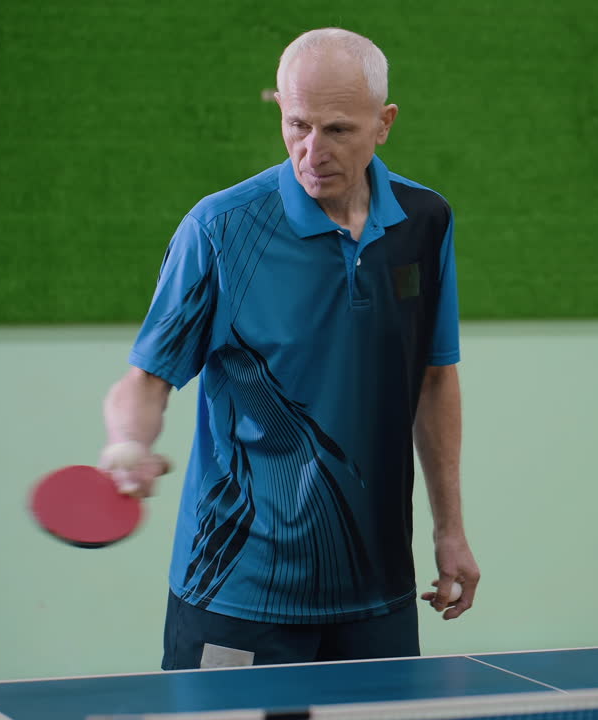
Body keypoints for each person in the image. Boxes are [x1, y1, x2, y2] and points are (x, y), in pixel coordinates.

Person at [99, 27, 479, 670]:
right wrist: (128, 444)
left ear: (383, 124)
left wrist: (449, 529)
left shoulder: (424, 223)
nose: (311, 150)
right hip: (236, 586)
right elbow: (146, 380)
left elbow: (435, 380)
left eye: (337, 130)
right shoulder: (220, 229)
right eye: (296, 123)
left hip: (378, 588)